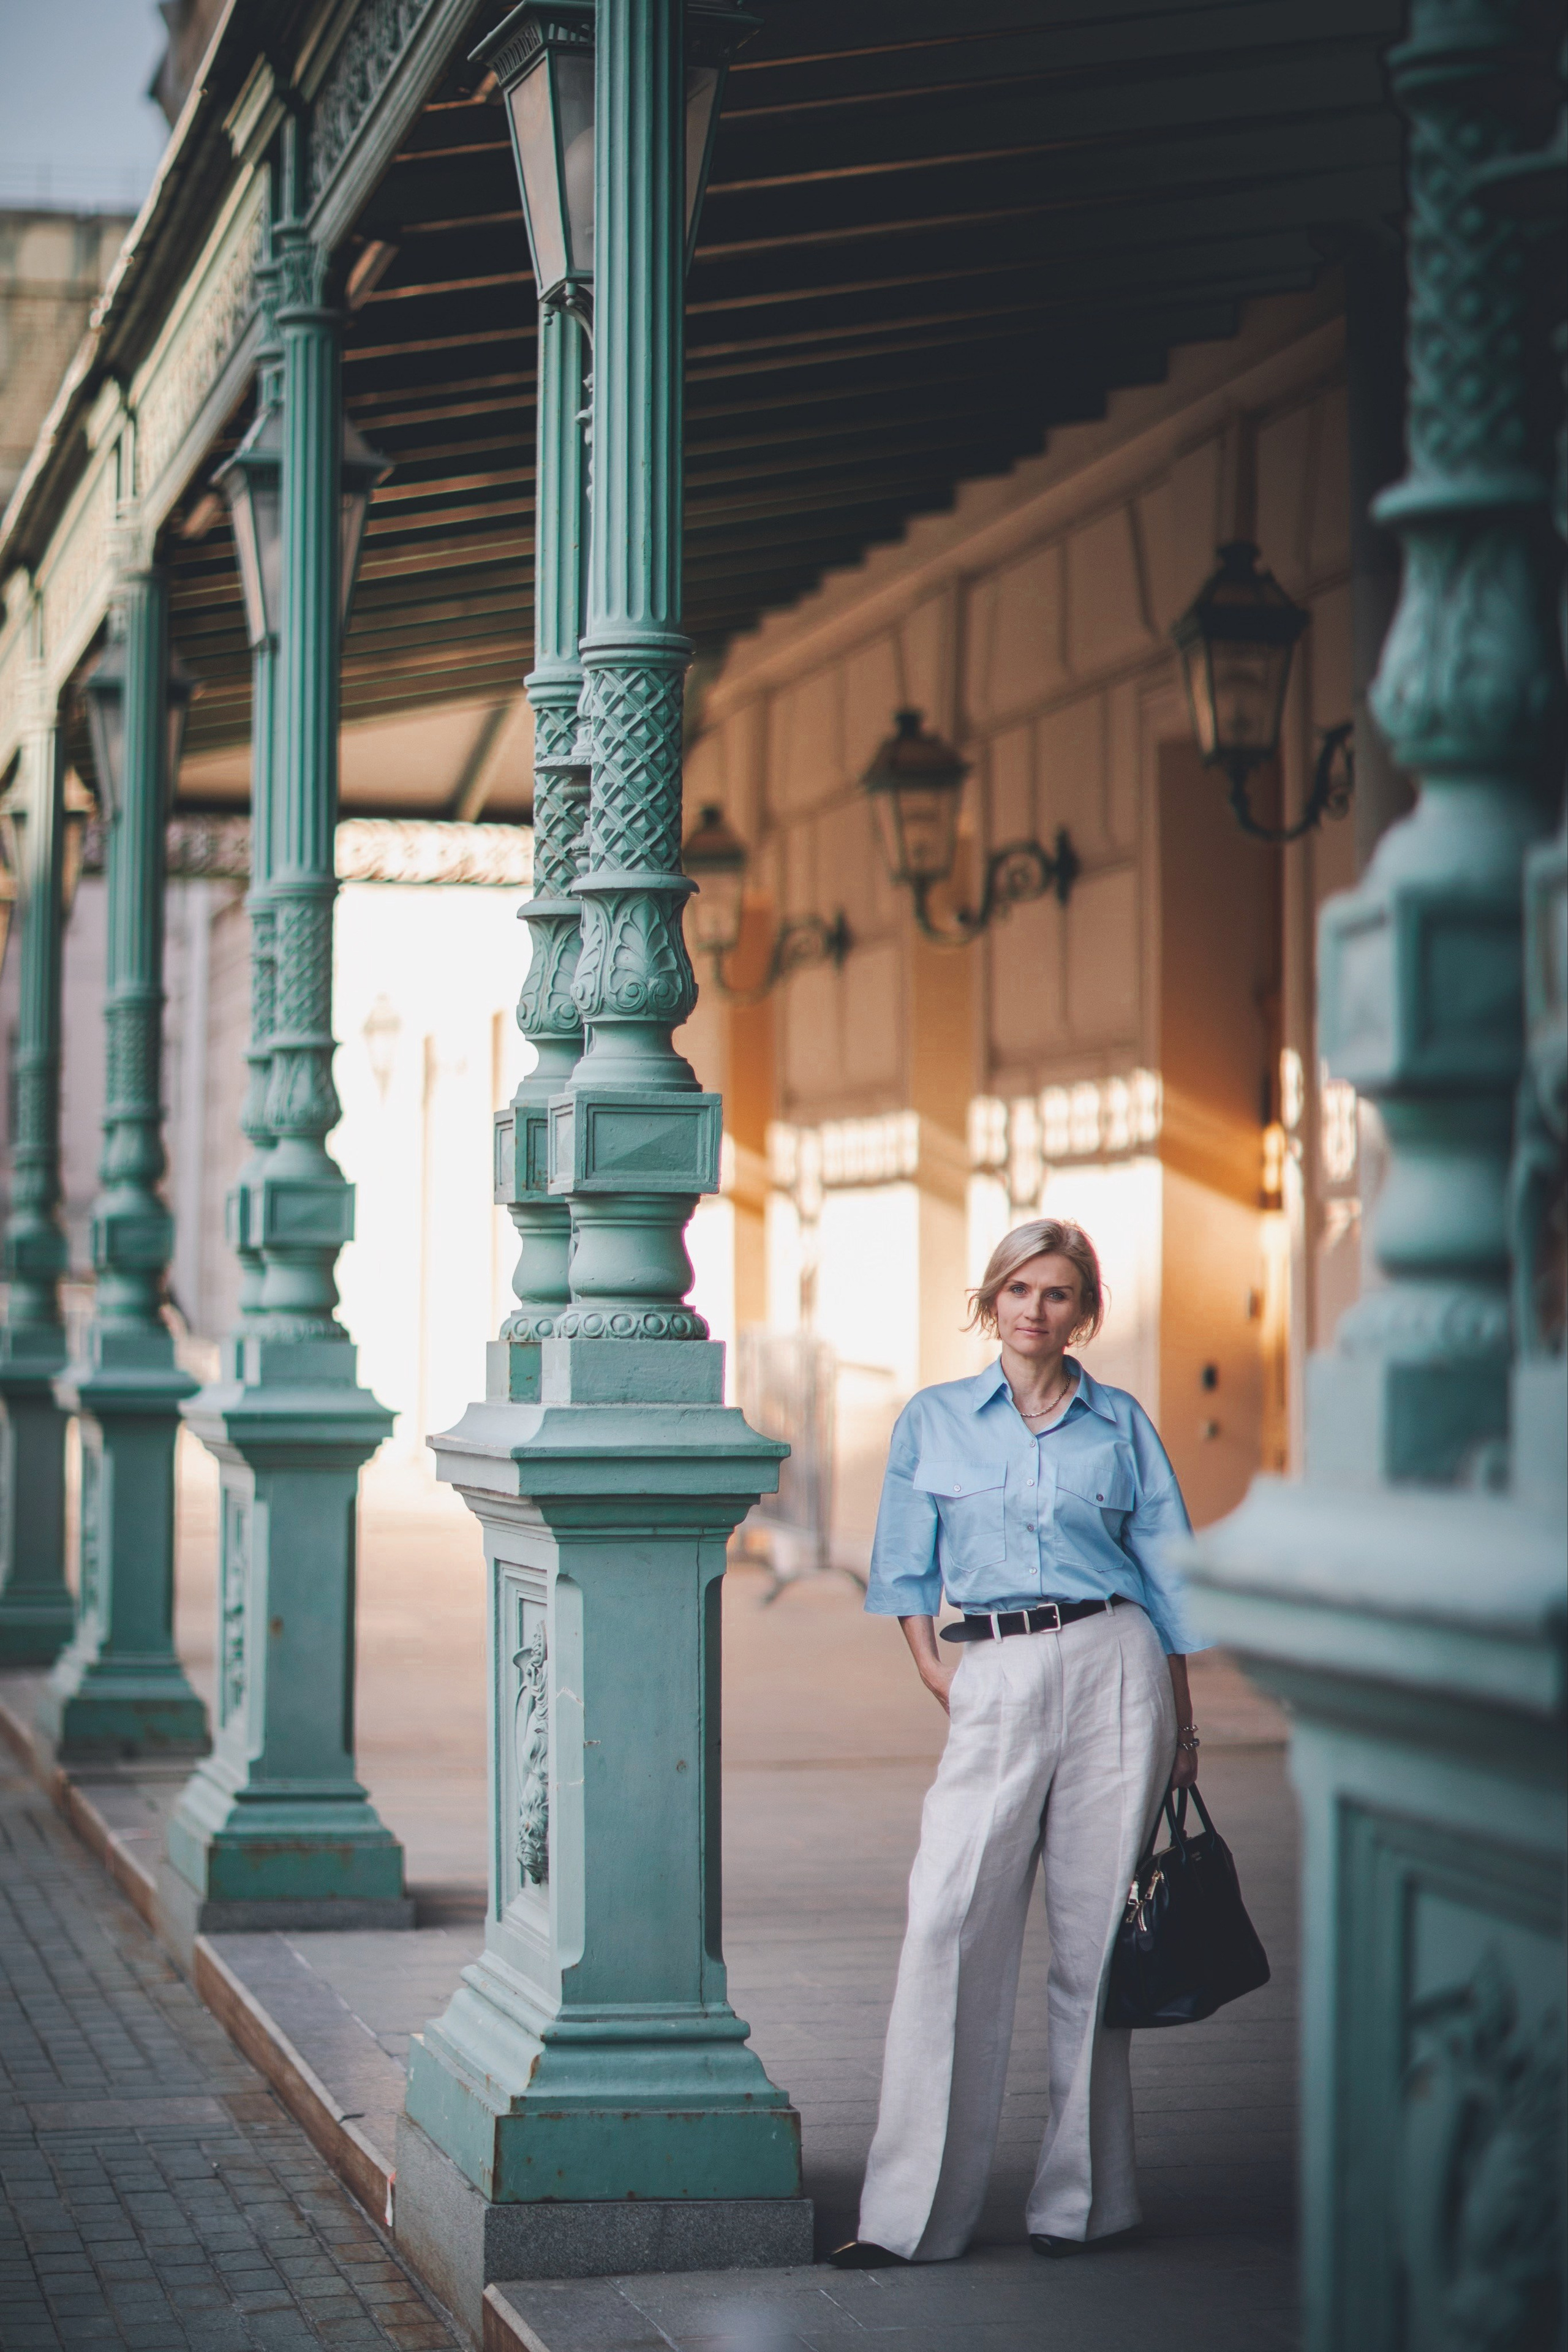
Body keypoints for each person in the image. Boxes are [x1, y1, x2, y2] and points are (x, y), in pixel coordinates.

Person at [831, 1217, 1206, 2268]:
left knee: (1093, 1944)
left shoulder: (1120, 1424)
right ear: (989, 1301)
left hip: (1116, 1668)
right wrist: (930, 1665)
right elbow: (904, 1562)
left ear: (1083, 1312)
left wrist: (1185, 1724)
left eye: (1057, 1294)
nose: (1036, 1310)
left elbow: (1169, 1575)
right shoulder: (935, 1421)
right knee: (947, 1920)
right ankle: (909, 2219)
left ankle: (1082, 2205)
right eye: (1019, 1290)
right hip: (989, 1668)